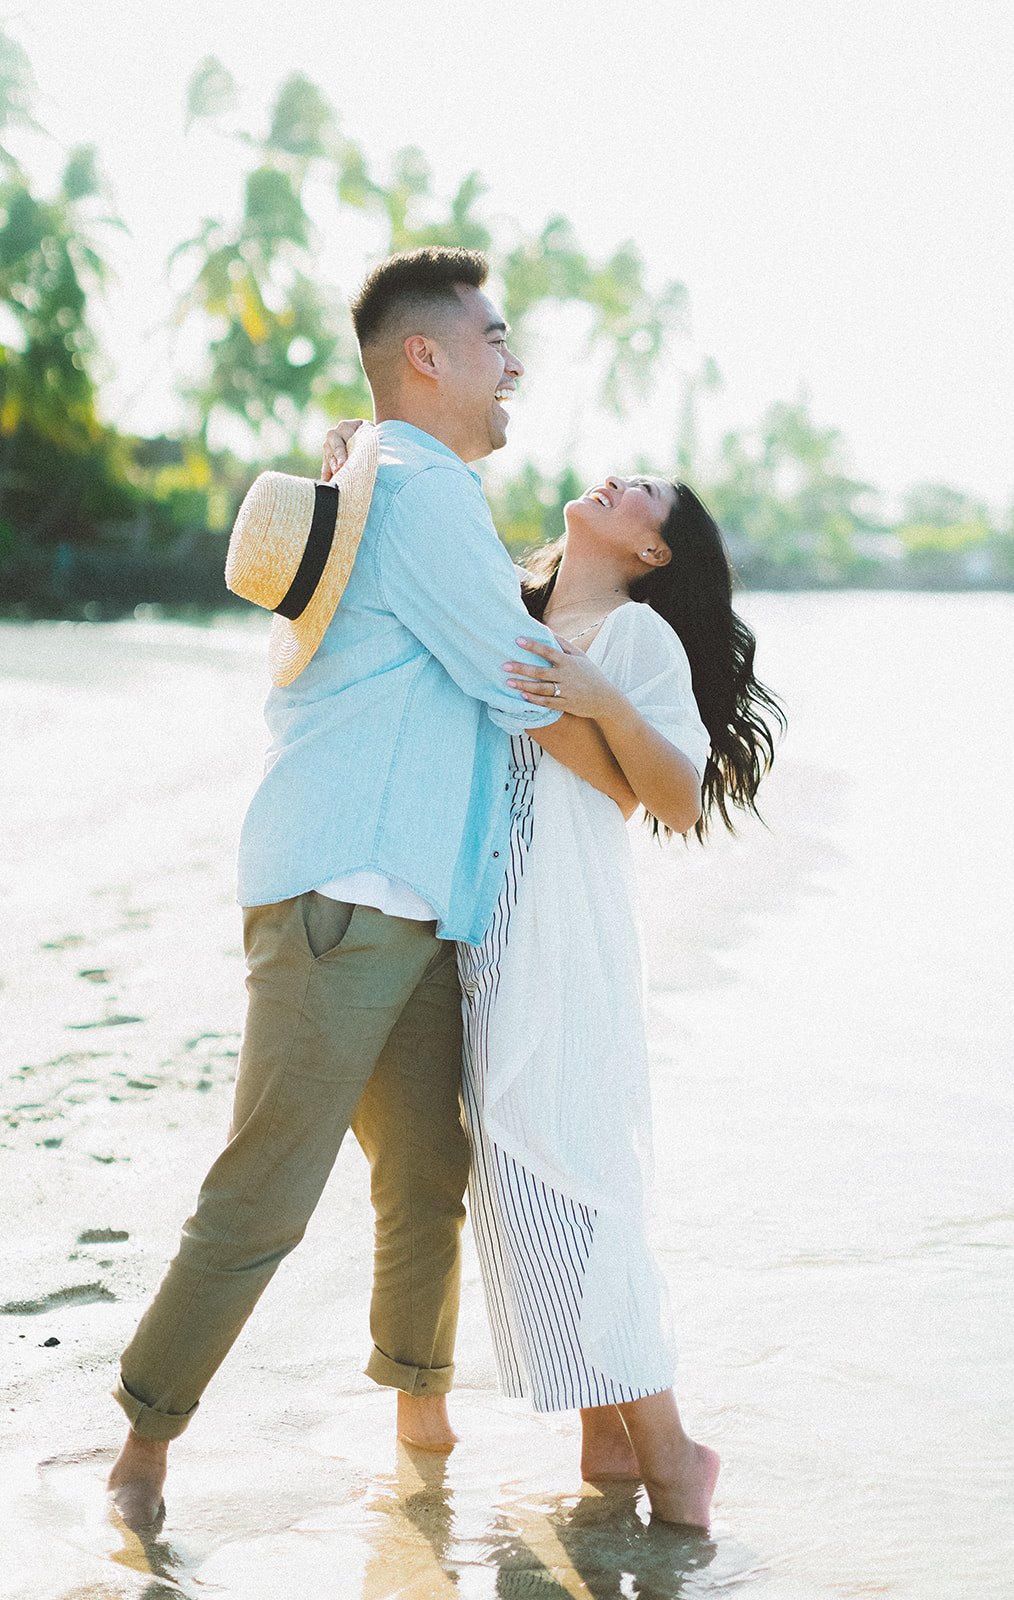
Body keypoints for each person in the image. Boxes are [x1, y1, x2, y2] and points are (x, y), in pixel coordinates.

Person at [106, 247, 633, 1528]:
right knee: (268, 1184)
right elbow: (516, 676)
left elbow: (488, 650)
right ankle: (140, 1449)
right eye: (495, 338)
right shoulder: (420, 485)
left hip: (406, 898)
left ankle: (422, 1422)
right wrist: (642, 763)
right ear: (426, 358)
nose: (514, 364)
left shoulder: (404, 484)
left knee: (428, 1169)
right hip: (347, 891)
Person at [457, 473, 783, 1528]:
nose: (615, 479)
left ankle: (675, 1453)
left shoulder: (634, 638)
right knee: (515, 1174)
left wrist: (597, 700)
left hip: (561, 931)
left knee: (574, 1172)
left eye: (641, 492)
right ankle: (604, 1436)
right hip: (483, 925)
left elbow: (676, 800)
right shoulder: (509, 610)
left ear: (652, 552)